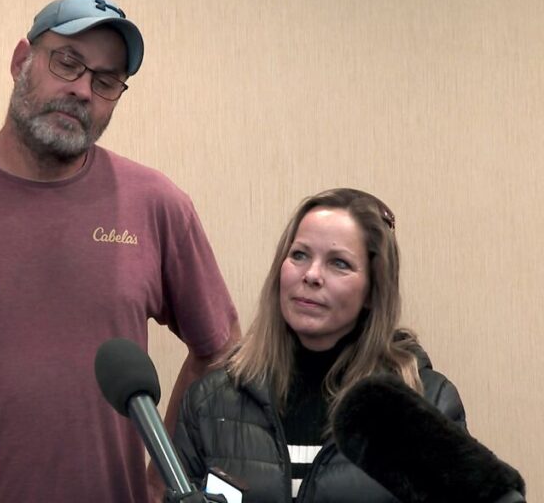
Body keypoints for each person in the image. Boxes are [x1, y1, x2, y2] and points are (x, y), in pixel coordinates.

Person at [0, 0, 240, 502]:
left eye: (105, 82)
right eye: (67, 62)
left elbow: (220, 350)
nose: (82, 90)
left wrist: (158, 479)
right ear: (22, 61)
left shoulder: (156, 204)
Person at [173, 188, 467, 502]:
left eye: (339, 263)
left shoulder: (428, 405)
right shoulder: (210, 403)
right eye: (299, 255)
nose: (311, 275)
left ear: (372, 291)